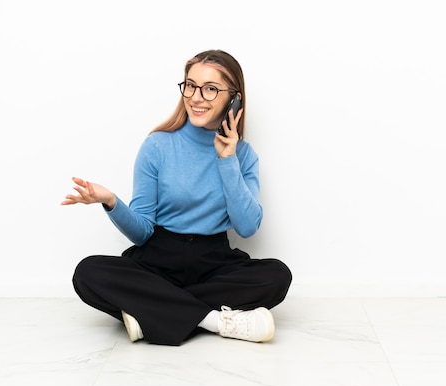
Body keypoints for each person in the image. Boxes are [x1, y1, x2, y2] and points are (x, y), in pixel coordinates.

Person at [61, 49, 292, 346]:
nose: (196, 97)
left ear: (233, 98)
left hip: (214, 261)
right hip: (158, 259)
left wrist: (227, 159)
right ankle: (215, 321)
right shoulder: (157, 145)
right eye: (191, 85)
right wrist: (111, 202)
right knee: (88, 273)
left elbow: (247, 227)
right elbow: (142, 232)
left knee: (276, 276)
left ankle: (151, 313)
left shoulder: (243, 156)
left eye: (210, 89)